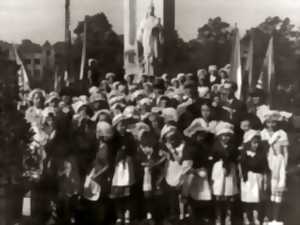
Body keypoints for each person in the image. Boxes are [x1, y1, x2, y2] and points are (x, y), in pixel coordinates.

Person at [211, 122, 239, 225]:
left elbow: (235, 158)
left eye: (227, 136)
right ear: (219, 136)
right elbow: (213, 158)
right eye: (223, 135)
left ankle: (228, 217)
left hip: (229, 169)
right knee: (218, 195)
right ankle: (218, 217)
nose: (225, 138)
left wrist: (229, 163)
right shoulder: (215, 146)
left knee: (228, 195)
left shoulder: (233, 147)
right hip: (218, 169)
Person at [240, 130, 269, 225]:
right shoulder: (245, 154)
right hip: (248, 178)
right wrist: (242, 176)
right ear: (249, 143)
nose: (256, 145)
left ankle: (255, 217)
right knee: (248, 200)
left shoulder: (262, 155)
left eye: (257, 142)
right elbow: (241, 166)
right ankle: (247, 217)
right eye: (254, 143)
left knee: (257, 199)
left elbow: (265, 168)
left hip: (258, 178)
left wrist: (265, 181)